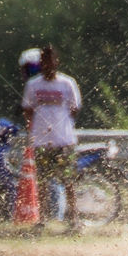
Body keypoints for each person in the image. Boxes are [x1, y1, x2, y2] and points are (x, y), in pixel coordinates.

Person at [21, 45, 82, 230]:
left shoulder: (67, 83)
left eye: (51, 61)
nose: (48, 65)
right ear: (41, 64)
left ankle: (73, 220)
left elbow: (75, 108)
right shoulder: (33, 85)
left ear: (56, 62)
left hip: (64, 140)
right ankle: (42, 221)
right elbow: (27, 109)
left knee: (68, 181)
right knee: (44, 183)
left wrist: (60, 122)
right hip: (41, 141)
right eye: (44, 62)